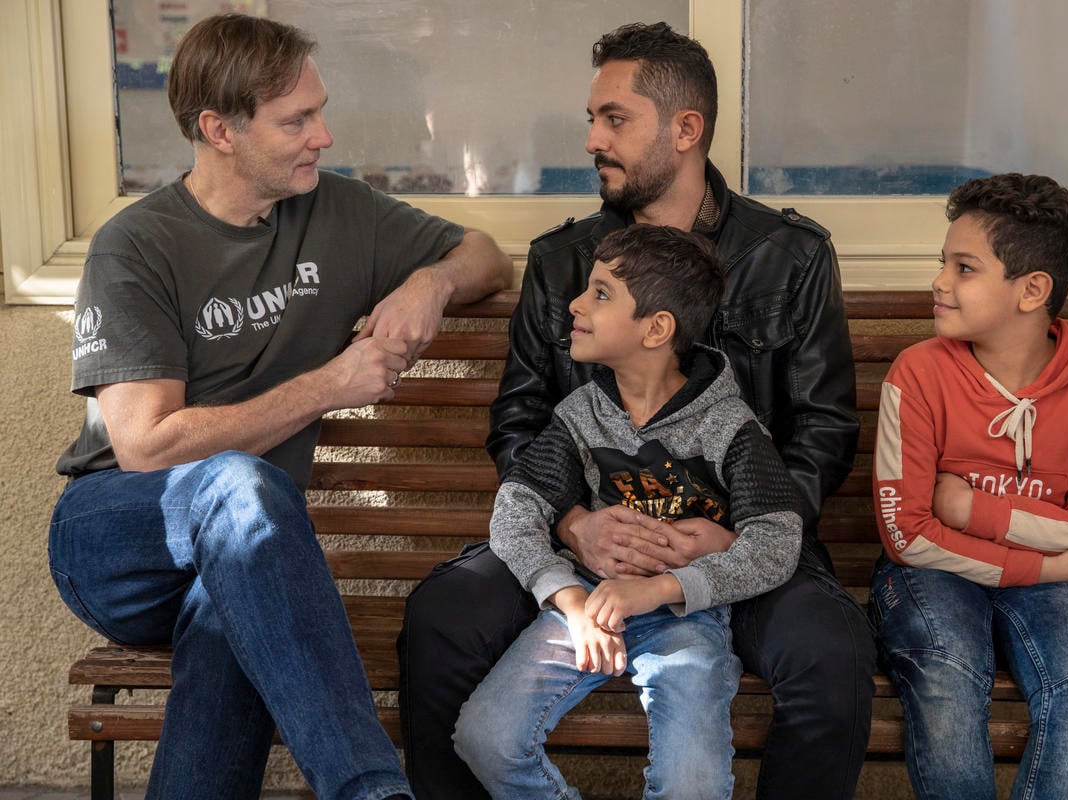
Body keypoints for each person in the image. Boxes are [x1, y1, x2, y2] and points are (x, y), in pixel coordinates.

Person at [400, 21, 875, 800]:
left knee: (830, 652)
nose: (592, 138)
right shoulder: (563, 261)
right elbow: (520, 424)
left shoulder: (789, 254)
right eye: (592, 118)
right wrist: (573, 524)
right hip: (585, 531)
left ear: (686, 129)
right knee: (441, 619)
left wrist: (737, 530)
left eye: (614, 119)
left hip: (741, 536)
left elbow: (824, 427)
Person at [47, 13, 511, 800]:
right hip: (118, 537)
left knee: (239, 611)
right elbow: (149, 450)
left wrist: (427, 283)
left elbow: (485, 254)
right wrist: (333, 383)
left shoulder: (340, 213)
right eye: (296, 120)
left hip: (248, 551)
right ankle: (370, 789)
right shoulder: (137, 245)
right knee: (244, 487)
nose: (323, 136)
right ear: (218, 130)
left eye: (319, 111)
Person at [454, 224, 805, 799]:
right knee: (487, 738)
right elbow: (514, 512)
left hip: (689, 619)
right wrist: (569, 602)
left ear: (657, 328)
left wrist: (659, 590)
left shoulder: (728, 426)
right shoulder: (580, 415)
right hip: (587, 607)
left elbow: (776, 542)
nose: (574, 304)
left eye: (600, 293)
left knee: (691, 784)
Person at [868, 173, 1068, 799]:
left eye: (965, 268)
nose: (939, 281)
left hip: (1062, 575)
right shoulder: (919, 373)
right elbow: (908, 534)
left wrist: (970, 507)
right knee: (945, 674)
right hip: (938, 573)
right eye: (944, 263)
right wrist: (1044, 565)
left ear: (1032, 290)